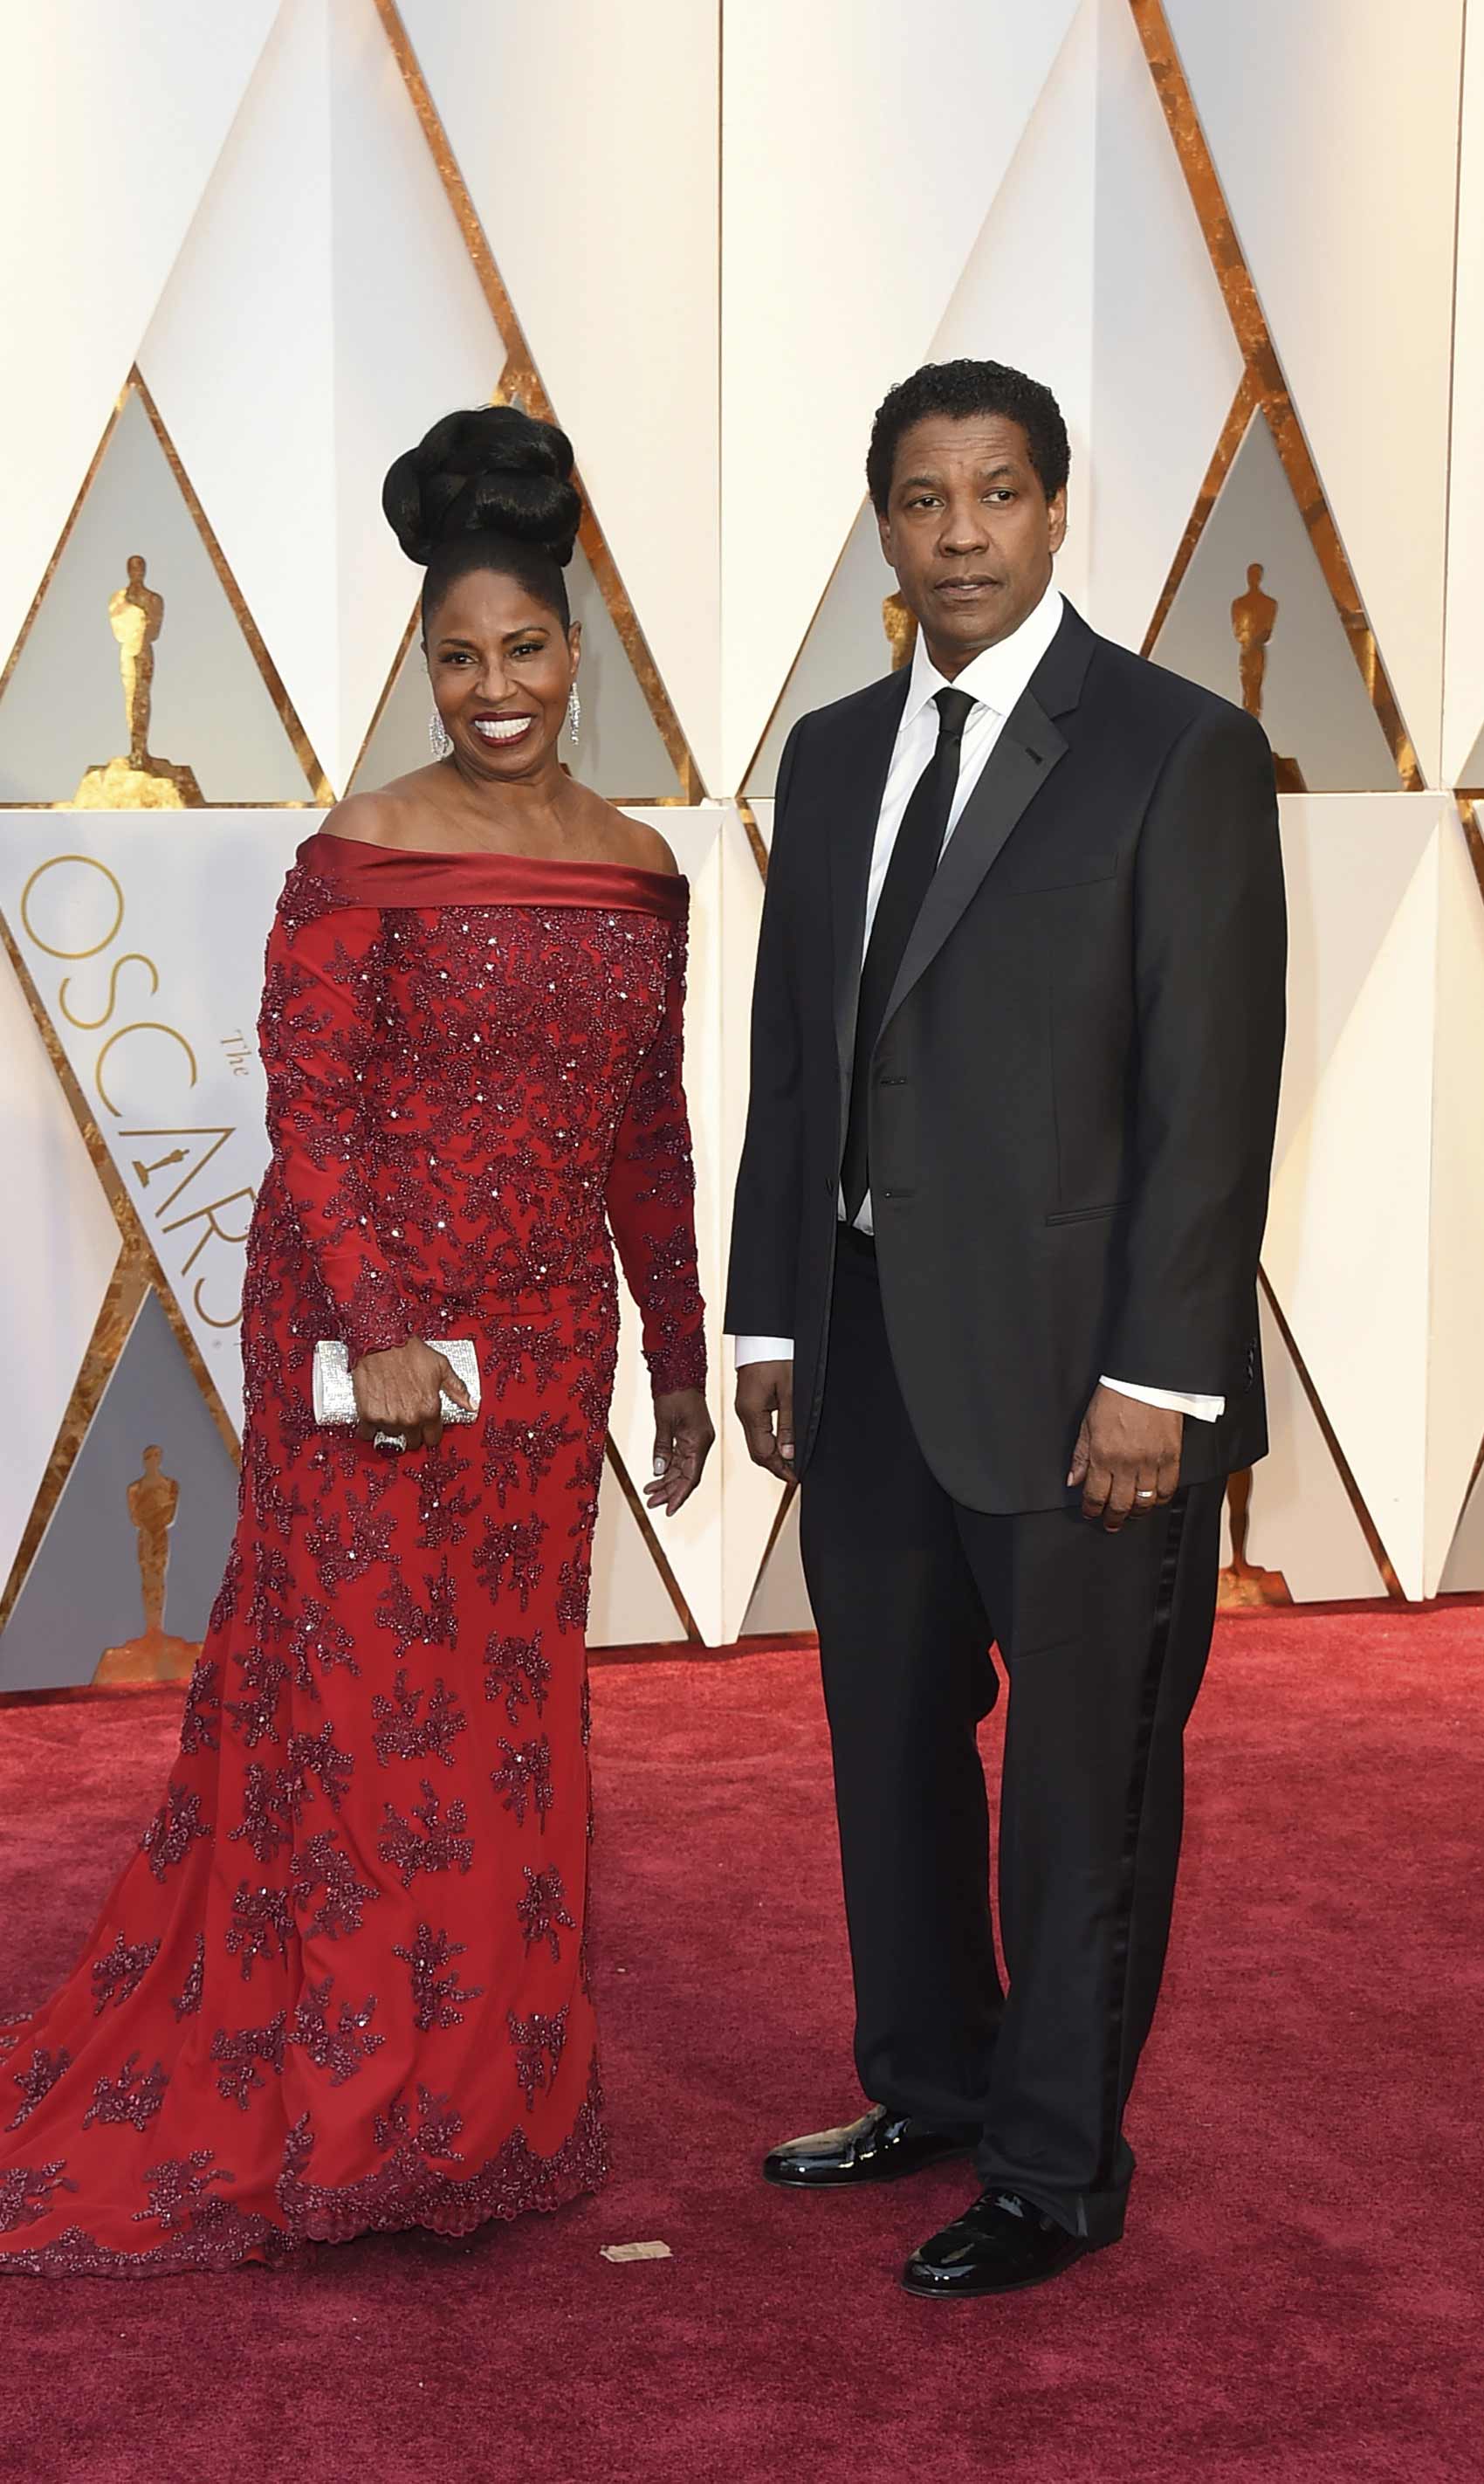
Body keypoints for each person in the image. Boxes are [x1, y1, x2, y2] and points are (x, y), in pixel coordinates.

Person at [0, 405, 712, 2276]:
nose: (496, 688)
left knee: (506, 1731)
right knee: (371, 1733)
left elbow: (650, 1127)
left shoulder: (641, 867)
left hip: (544, 1359)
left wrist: (682, 1354)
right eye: (458, 657)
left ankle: (484, 2111)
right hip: (363, 1346)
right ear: (426, 662)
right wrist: (388, 1328)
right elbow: (305, 1116)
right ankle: (347, 2110)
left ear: (579, 651)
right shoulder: (364, 849)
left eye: (527, 650)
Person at [728, 358, 1285, 2298]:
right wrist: (768, 1325)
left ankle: (1052, 2167)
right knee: (885, 1742)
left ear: (1056, 511)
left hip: (1085, 1375)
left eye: (995, 495)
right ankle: (933, 2084)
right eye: (919, 499)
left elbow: (1212, 1096)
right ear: (880, 522)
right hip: (863, 1342)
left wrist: (1165, 1372)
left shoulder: (1171, 749)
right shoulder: (821, 754)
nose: (957, 533)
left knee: (1080, 1782)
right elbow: (793, 1064)